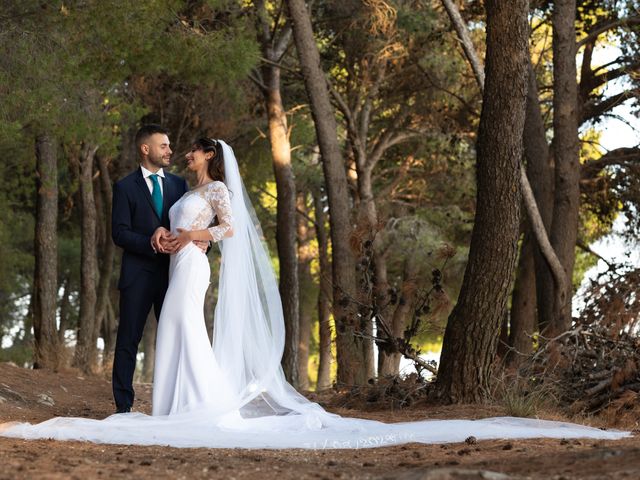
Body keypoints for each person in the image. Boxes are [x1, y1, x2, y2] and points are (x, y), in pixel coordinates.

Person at [0, 139, 630, 448]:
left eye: (191, 149)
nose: (185, 150)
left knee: (187, 329)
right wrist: (174, 239)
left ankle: (195, 404)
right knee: (177, 330)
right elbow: (175, 228)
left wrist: (194, 237)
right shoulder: (168, 185)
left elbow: (228, 228)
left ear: (206, 162)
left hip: (194, 264)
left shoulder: (215, 190)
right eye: (179, 146)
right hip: (178, 263)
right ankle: (171, 404)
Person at [110, 125, 205, 414]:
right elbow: (119, 233)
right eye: (163, 146)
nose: (170, 151)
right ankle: (123, 408)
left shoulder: (179, 185)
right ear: (145, 149)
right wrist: (152, 241)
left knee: (179, 337)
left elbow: (194, 222)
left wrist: (202, 245)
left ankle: (176, 405)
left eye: (169, 146)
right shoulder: (125, 187)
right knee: (128, 340)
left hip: (175, 275)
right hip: (138, 274)